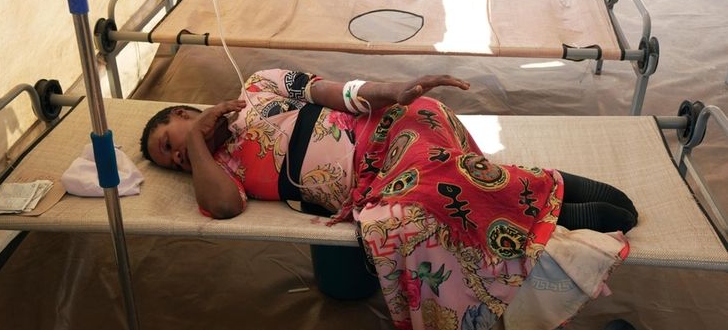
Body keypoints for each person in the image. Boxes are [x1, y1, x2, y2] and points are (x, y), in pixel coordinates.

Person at [140, 69, 637, 330]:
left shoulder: (260, 86)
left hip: (391, 128)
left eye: (170, 142)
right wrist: (201, 145)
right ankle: (547, 195)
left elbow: (340, 92)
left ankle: (551, 197)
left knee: (426, 192)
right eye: (169, 162)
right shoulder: (219, 174)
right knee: (400, 221)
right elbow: (226, 208)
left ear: (185, 110)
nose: (177, 156)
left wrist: (394, 89)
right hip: (373, 183)